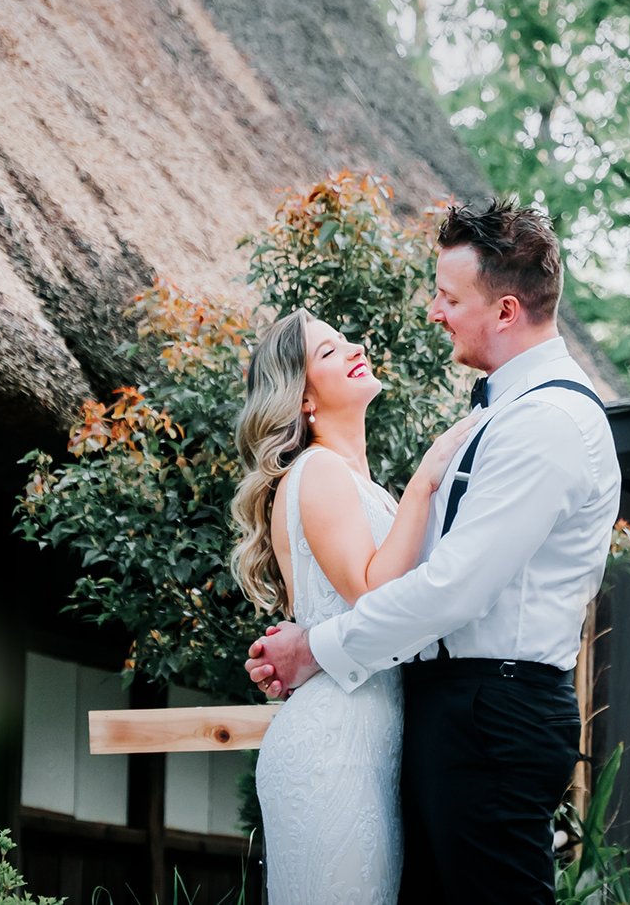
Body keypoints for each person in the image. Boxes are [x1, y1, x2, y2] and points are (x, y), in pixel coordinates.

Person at [246, 198, 619, 905]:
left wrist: (316, 646)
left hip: (492, 714)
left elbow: (451, 589)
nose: (433, 311)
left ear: (505, 310)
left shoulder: (545, 422)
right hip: (446, 712)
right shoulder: (497, 414)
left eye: (448, 296)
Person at [229, 308, 480, 905]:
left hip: (370, 746)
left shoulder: (356, 483)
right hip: (331, 751)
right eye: (327, 352)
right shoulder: (316, 471)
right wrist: (426, 479)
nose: (353, 349)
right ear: (304, 400)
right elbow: (374, 595)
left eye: (346, 340)